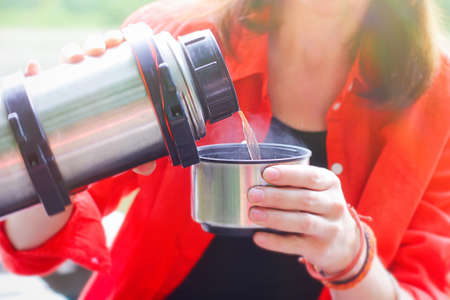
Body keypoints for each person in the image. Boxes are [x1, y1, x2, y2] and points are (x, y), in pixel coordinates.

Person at [1, 0, 449, 299]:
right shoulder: (169, 38)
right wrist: (45, 136)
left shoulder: (438, 98)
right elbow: (34, 246)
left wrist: (351, 257)